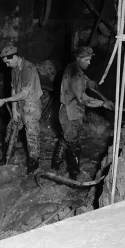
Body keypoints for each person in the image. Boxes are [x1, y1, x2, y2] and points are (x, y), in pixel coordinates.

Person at [51, 46, 114, 180]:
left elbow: (82, 78)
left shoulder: (72, 67)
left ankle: (55, 166)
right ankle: (74, 177)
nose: (89, 63)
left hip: (66, 111)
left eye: (90, 60)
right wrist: (103, 103)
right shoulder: (76, 76)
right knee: (74, 145)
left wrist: (89, 81)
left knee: (65, 139)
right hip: (71, 114)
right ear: (78, 58)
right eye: (86, 60)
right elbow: (83, 99)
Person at [0, 45, 43, 175]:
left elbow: (24, 94)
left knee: (32, 138)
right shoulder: (14, 68)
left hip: (31, 106)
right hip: (19, 105)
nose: (7, 65)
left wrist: (6, 100)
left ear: (14, 57)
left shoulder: (29, 69)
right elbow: (14, 89)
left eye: (8, 62)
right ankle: (6, 158)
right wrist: (14, 110)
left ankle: (33, 168)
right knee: (10, 130)